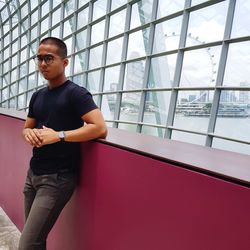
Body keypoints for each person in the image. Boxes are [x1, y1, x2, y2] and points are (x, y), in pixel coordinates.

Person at [18, 37, 107, 250]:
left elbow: (100, 128)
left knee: (27, 244)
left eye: (49, 58)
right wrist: (28, 134)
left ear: (65, 62)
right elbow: (26, 128)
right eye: (39, 59)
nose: (42, 64)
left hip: (57, 179)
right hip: (33, 174)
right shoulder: (37, 95)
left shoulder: (76, 93)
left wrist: (58, 135)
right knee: (35, 241)